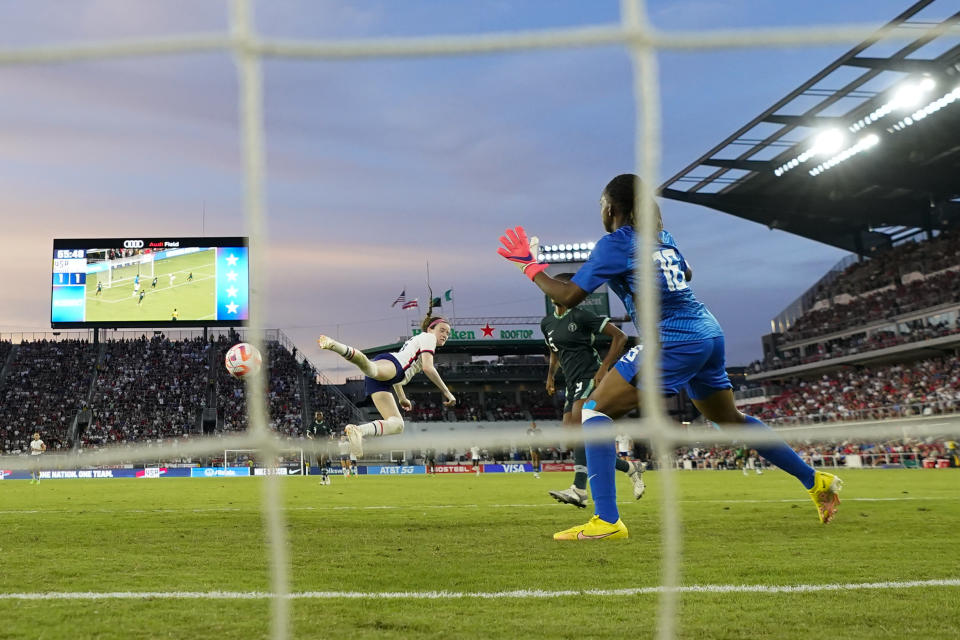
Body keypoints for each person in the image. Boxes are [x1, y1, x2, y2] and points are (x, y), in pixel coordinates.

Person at [497, 173, 841, 541]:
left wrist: (528, 266)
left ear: (611, 208)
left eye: (602, 206)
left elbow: (567, 297)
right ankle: (817, 481)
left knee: (593, 413)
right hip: (708, 333)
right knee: (731, 419)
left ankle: (607, 522)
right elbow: (686, 272)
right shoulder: (664, 237)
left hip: (672, 339)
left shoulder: (616, 243)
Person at [540, 277, 641, 507]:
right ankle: (629, 467)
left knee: (580, 431)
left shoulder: (581, 315)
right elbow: (554, 351)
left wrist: (604, 368)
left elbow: (620, 336)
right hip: (570, 382)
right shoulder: (546, 323)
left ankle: (578, 489)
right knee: (574, 440)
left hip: (589, 376)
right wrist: (550, 376)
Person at [317, 315, 456, 457]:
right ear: (430, 329)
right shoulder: (429, 337)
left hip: (391, 377)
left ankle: (358, 430)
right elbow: (428, 368)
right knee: (370, 368)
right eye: (442, 330)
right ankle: (334, 345)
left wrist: (402, 397)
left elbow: (402, 371)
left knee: (397, 425)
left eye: (447, 333)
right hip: (394, 366)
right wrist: (447, 392)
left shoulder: (421, 339)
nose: (445, 335)